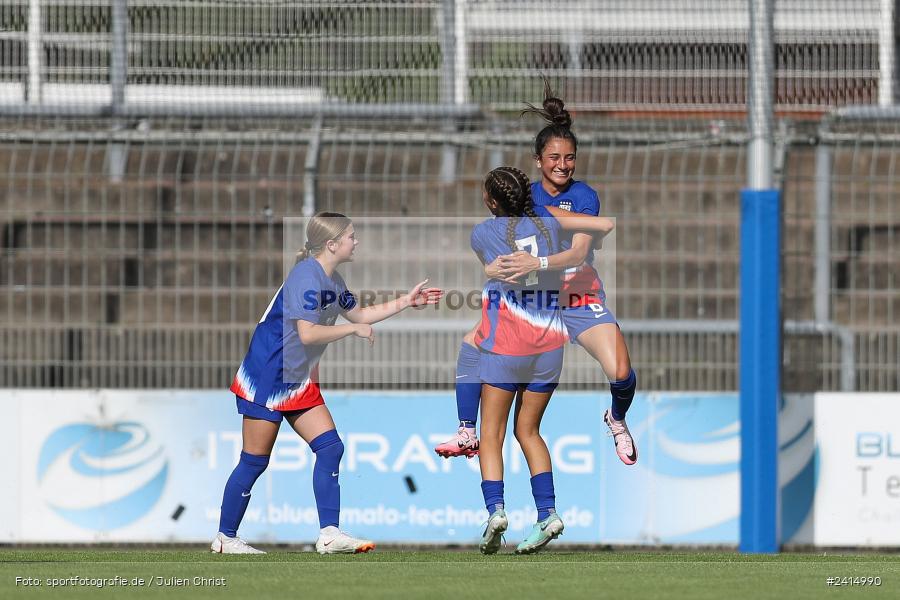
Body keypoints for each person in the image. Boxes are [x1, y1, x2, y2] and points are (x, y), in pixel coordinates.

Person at [211, 212, 442, 554]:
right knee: (255, 461)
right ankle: (225, 538)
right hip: (268, 377)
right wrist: (352, 330)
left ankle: (330, 534)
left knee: (330, 447)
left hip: (296, 378)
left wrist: (406, 302)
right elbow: (307, 334)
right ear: (332, 244)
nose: (356, 241)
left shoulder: (333, 280)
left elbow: (360, 314)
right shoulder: (307, 277)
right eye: (351, 236)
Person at [434, 84, 638, 466]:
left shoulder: (583, 197)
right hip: (534, 301)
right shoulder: (522, 195)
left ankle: (617, 418)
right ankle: (466, 430)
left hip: (576, 294)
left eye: (570, 157)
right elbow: (497, 245)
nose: (563, 164)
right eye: (554, 157)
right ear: (538, 160)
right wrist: (491, 268)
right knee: (472, 343)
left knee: (621, 371)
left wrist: (539, 263)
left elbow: (579, 251)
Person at [470, 166, 615, 555]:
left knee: (492, 434)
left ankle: (496, 512)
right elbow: (601, 225)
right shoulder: (552, 224)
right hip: (550, 348)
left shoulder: (483, 233)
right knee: (529, 432)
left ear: (491, 202)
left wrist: (489, 269)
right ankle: (547, 513)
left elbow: (492, 267)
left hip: (508, 346)